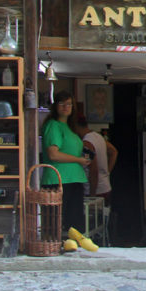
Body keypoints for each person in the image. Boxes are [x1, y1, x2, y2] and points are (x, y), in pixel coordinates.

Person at [41, 91, 96, 251]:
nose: (66, 107)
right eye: (62, 104)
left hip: (74, 178)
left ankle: (72, 248)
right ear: (55, 106)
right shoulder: (53, 125)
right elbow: (53, 154)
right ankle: (53, 249)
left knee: (75, 221)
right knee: (57, 222)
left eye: (69, 104)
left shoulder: (70, 128)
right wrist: (79, 160)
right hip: (59, 179)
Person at [79, 116, 118, 201]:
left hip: (94, 191)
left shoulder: (86, 143)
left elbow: (93, 170)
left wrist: (92, 196)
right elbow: (113, 152)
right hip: (105, 186)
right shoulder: (98, 136)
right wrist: (107, 172)